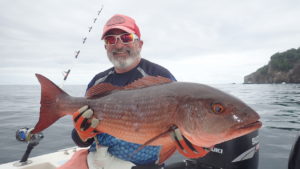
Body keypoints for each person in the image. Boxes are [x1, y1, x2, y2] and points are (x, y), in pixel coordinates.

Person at [58, 14, 259, 169]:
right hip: (97, 160)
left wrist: (200, 149)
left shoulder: (161, 76)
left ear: (139, 44)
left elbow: (181, 138)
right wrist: (82, 133)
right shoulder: (98, 81)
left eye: (126, 37)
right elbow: (80, 139)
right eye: (111, 39)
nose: (118, 44)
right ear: (105, 47)